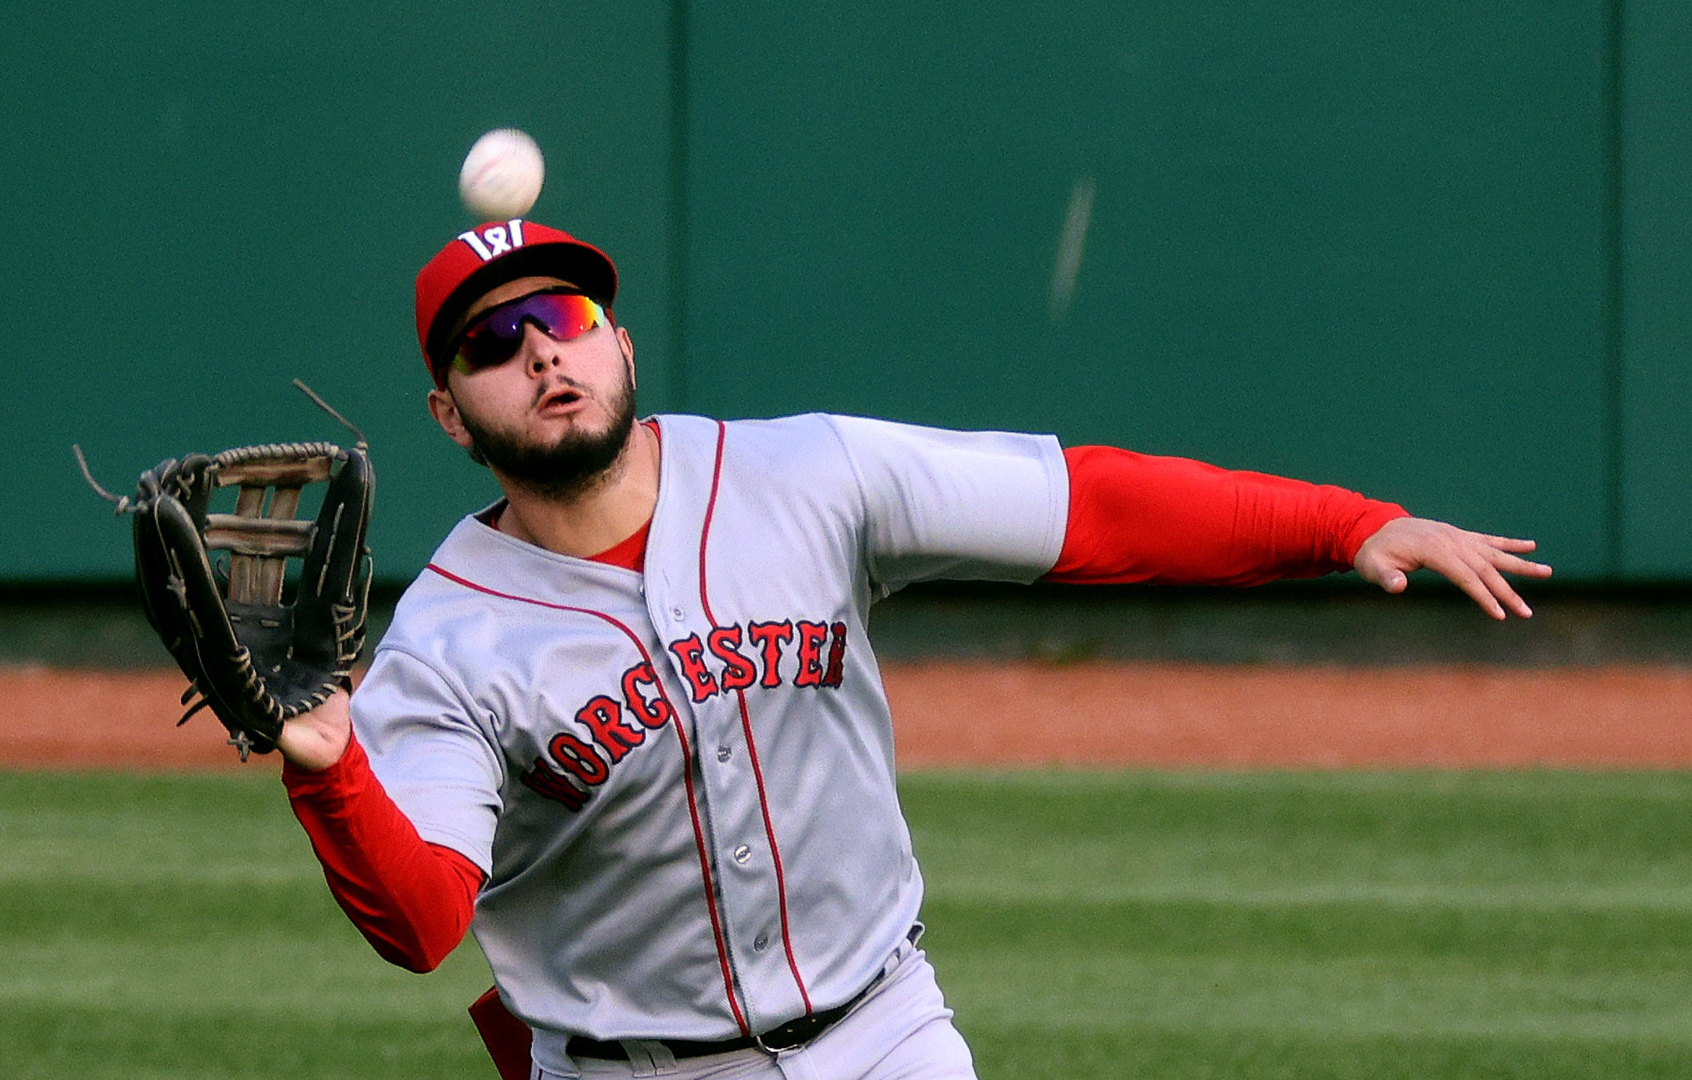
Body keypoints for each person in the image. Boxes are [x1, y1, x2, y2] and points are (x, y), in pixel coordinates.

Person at [272, 219, 1551, 1080]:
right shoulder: (443, 638)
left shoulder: (806, 475)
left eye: (565, 311)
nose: (542, 348)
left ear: (620, 340)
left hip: (885, 1034)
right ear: (449, 413)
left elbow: (1083, 504)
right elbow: (425, 920)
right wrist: (328, 770)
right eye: (492, 342)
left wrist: (1350, 525)